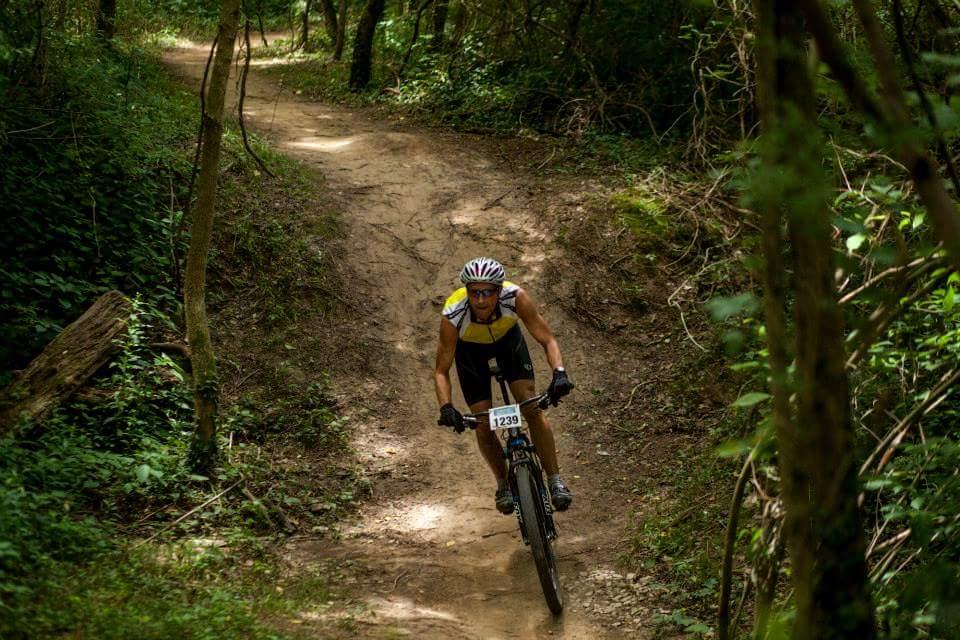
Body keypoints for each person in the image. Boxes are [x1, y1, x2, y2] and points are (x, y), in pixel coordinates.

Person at [433, 256, 575, 514]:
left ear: (499, 290)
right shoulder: (454, 314)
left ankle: (555, 480)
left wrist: (560, 373)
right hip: (470, 354)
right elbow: (441, 370)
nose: (480, 300)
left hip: (508, 343)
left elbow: (548, 339)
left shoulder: (516, 297)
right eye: (474, 293)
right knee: (483, 421)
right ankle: (503, 485)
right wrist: (446, 407)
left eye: (487, 292)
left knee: (530, 404)